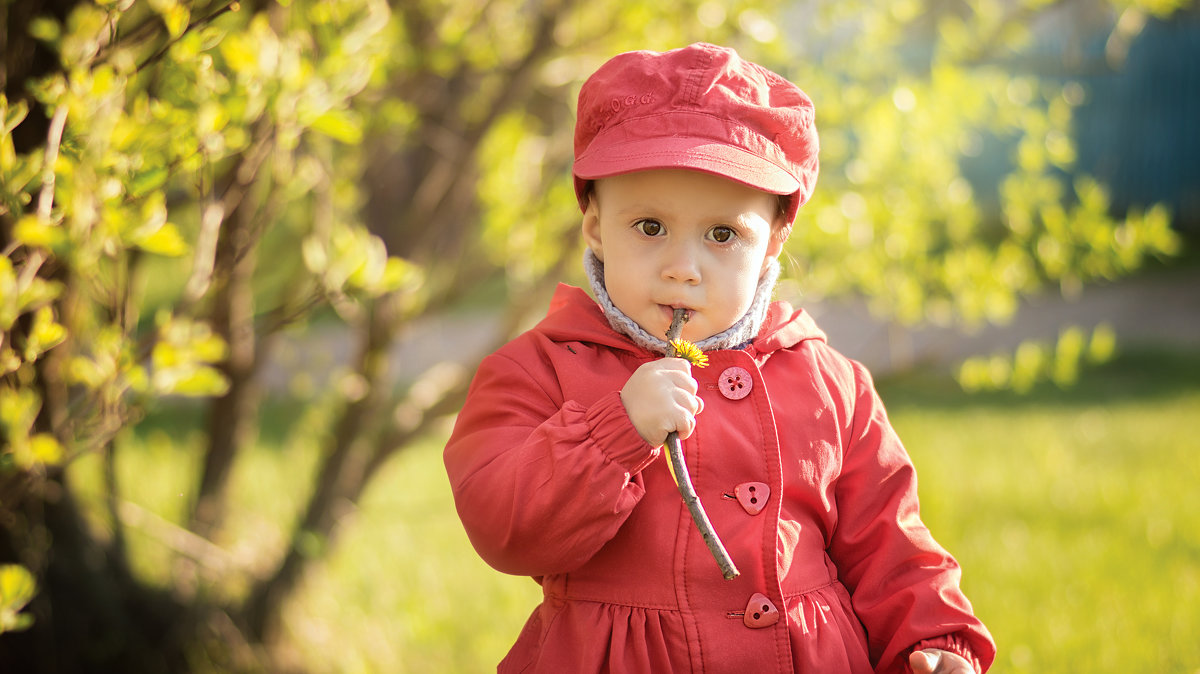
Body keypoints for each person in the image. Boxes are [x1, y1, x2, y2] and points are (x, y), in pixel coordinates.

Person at [443, 42, 996, 673]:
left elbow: (889, 542)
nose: (683, 268)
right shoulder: (537, 370)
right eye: (648, 227)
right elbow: (503, 527)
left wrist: (935, 640)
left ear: (774, 243)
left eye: (722, 234)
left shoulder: (830, 382)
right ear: (594, 223)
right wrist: (614, 432)